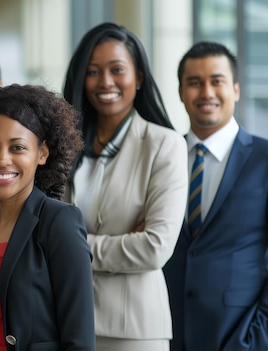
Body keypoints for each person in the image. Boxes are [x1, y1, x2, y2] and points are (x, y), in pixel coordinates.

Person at [62, 22, 188, 350]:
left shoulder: (164, 145)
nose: (105, 82)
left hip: (133, 329)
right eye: (93, 71)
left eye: (117, 69)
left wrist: (71, 246)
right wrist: (119, 241)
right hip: (64, 319)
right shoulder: (62, 145)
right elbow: (38, 228)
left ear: (139, 77)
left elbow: (154, 247)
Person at [0, 84, 95, 350]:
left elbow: (80, 339)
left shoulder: (59, 223)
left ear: (42, 153)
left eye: (17, 148)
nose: (2, 160)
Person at [164, 41, 268, 351]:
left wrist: (258, 336)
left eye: (217, 81)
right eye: (194, 83)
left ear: (235, 89)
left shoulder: (266, 159)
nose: (206, 93)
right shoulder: (161, 157)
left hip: (238, 338)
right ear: (181, 92)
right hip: (164, 335)